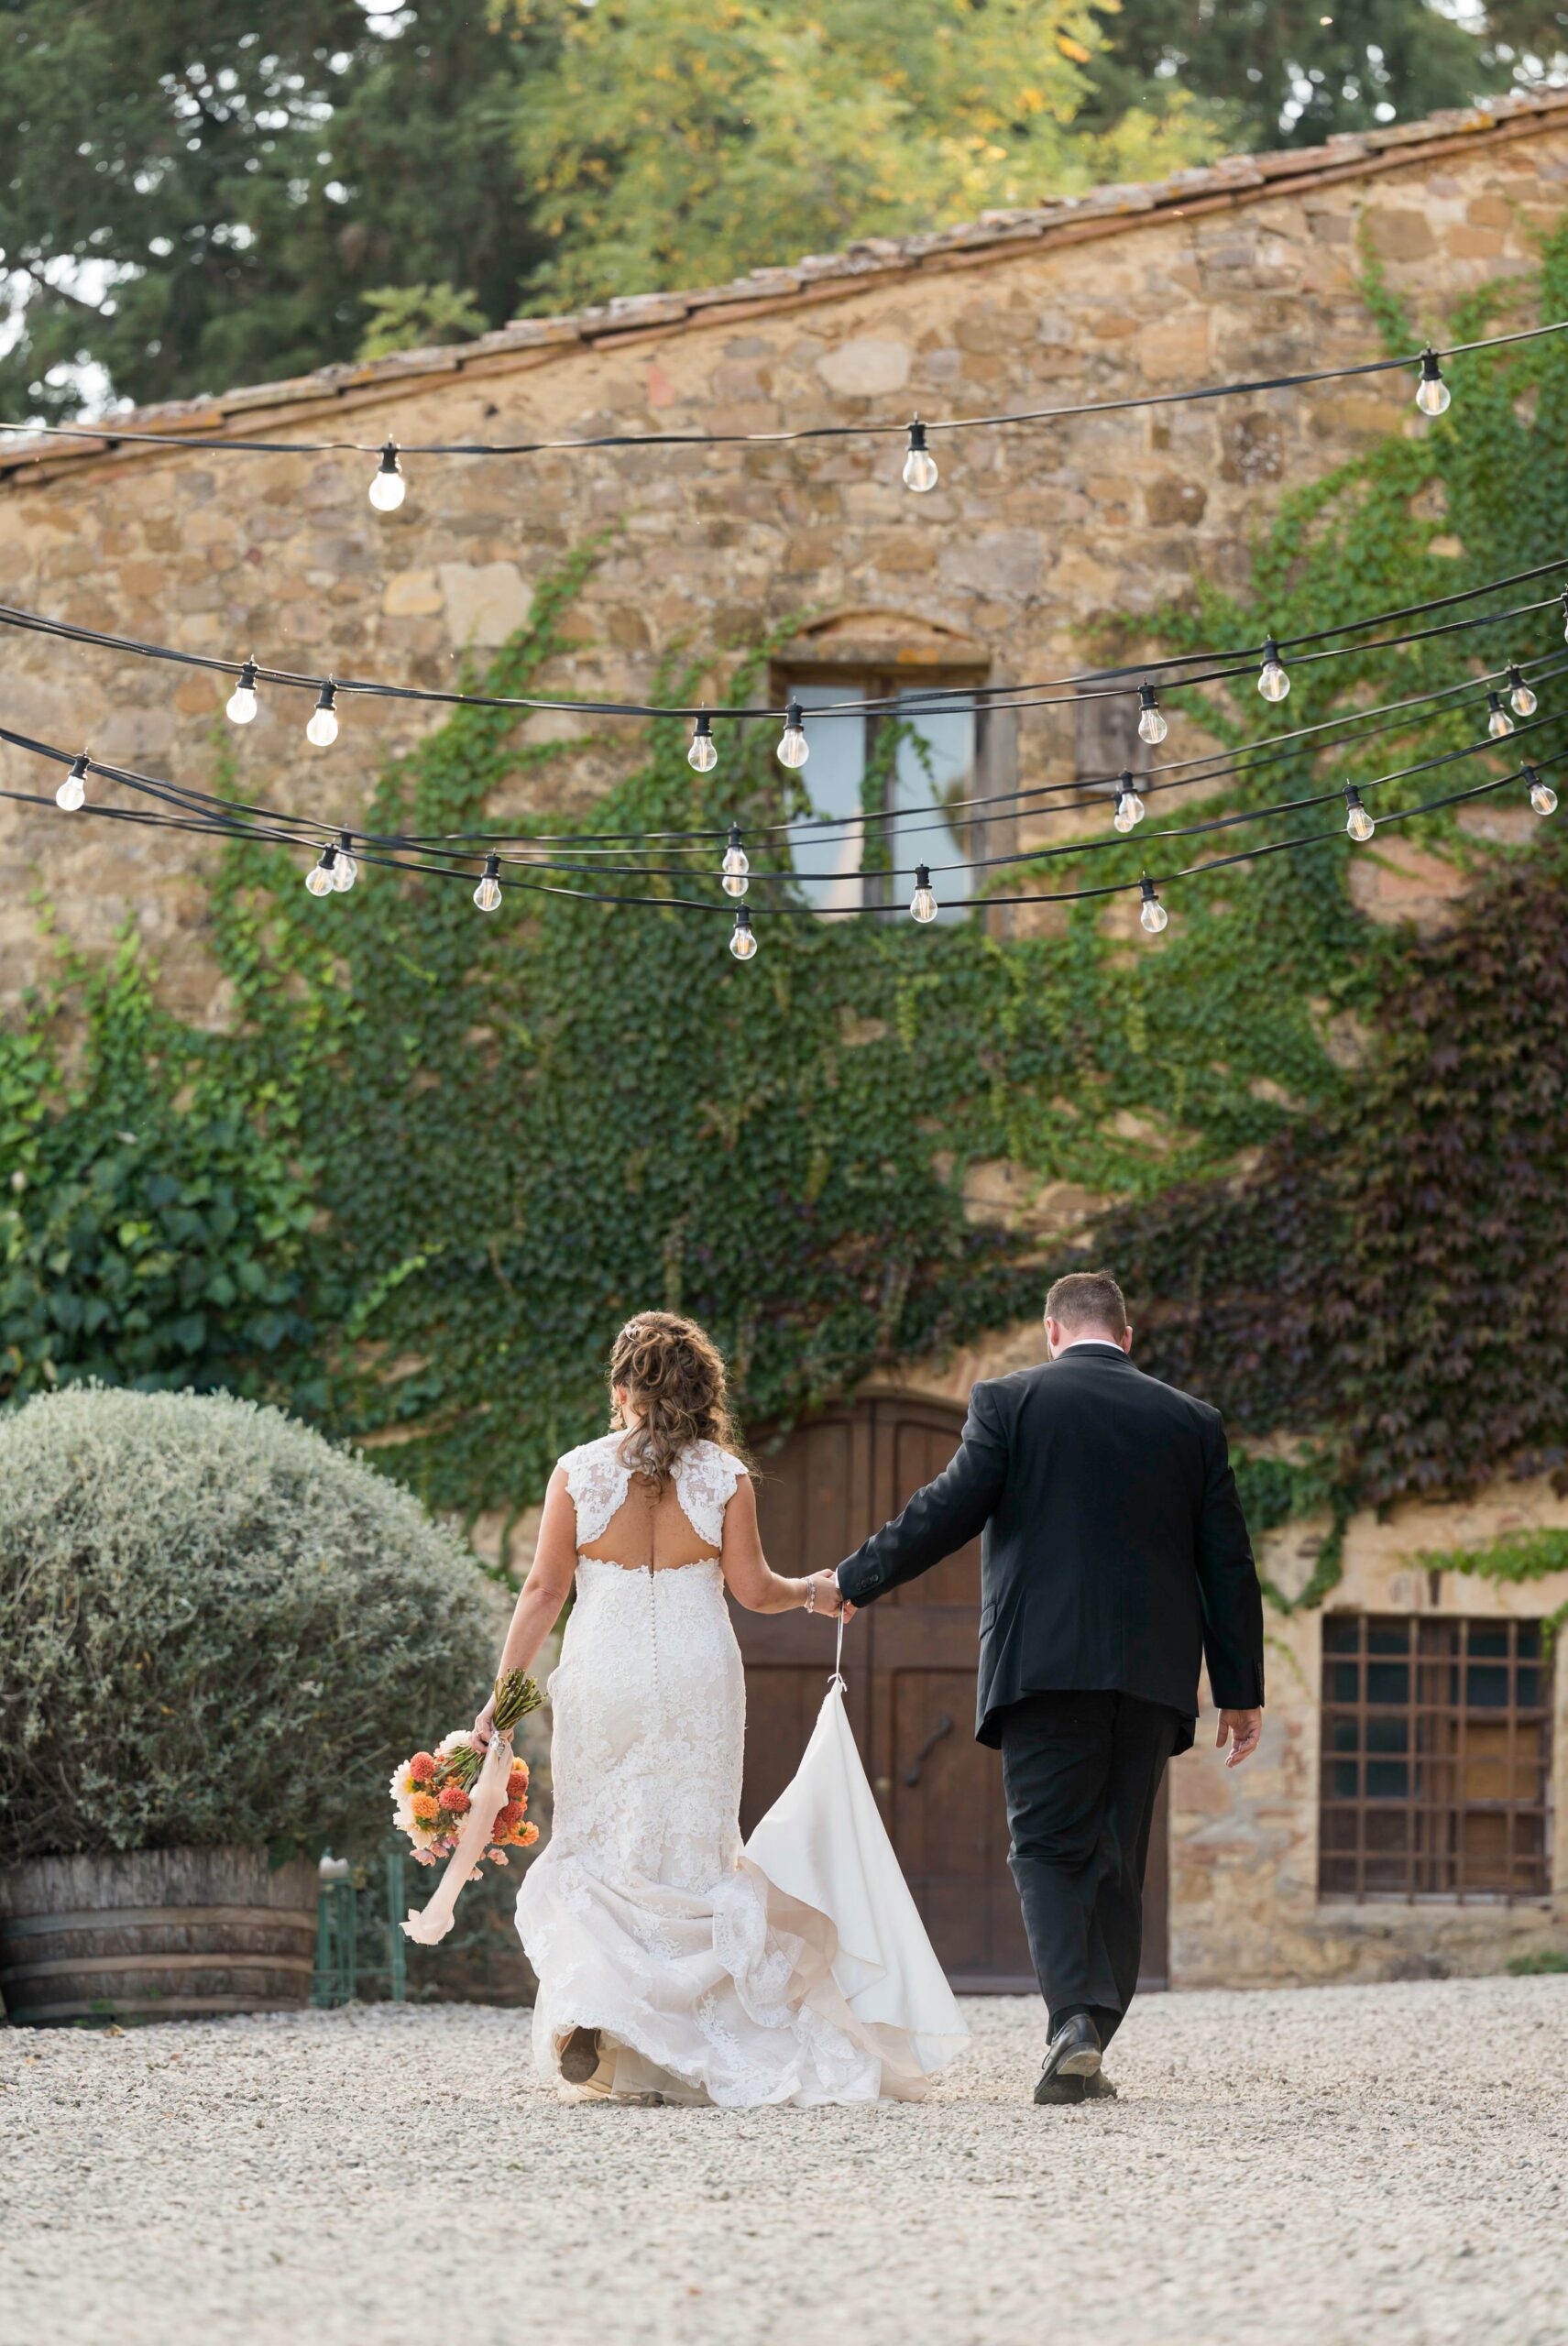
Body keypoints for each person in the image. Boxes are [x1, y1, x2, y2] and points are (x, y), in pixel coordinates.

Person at [472, 1310, 961, 2106]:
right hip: (699, 1677)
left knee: (599, 1845)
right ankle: (694, 2026)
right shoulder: (722, 1477)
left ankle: (600, 2008)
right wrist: (819, 1592)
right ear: (703, 1392)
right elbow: (755, 1590)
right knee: (694, 1854)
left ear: (622, 1389)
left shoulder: (578, 1472)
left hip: (605, 1675)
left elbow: (543, 1592)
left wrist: (501, 1702)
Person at [833, 1269, 1265, 2105]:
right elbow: (1227, 1560)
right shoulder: (1190, 1421)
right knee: (1116, 1853)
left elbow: (946, 1509)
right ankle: (1090, 2037)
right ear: (1127, 1337)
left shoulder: (1010, 1402)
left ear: (1051, 1331)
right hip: (1149, 1676)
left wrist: (856, 1578)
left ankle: (1070, 2022)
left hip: (1041, 1667)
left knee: (1044, 1847)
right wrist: (1239, 1688)